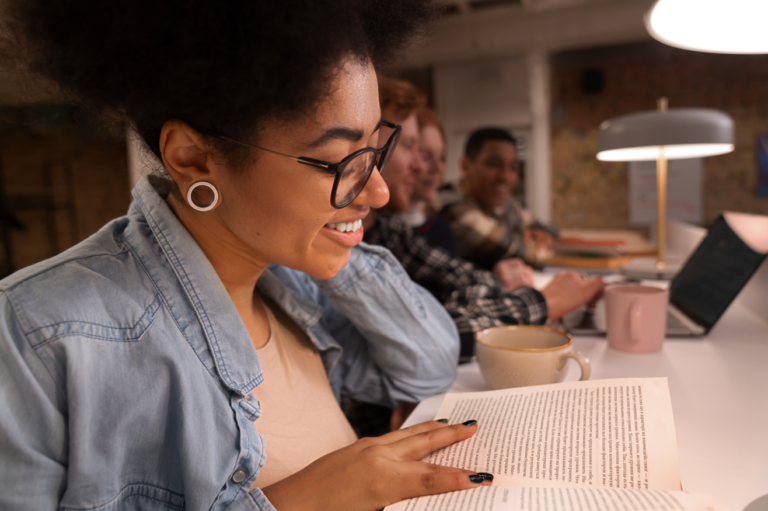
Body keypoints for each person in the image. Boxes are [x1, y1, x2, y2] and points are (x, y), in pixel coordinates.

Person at [0, 2, 494, 510]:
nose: (380, 191)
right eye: (338, 161)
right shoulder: (38, 336)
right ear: (193, 158)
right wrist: (301, 501)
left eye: (374, 149)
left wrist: (328, 242)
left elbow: (428, 365)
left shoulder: (290, 287)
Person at [364, 77, 604, 361]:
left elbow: (479, 280)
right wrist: (544, 301)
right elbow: (432, 334)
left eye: (513, 167)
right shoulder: (452, 208)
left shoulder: (389, 227)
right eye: (409, 147)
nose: (422, 166)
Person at [441, 127, 559, 271]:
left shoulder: (504, 203)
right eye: (494, 164)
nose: (505, 177)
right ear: (466, 167)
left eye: (513, 167)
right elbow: (526, 253)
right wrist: (531, 240)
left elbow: (546, 228)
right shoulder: (450, 205)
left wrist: (543, 234)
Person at [401, 105, 457, 255]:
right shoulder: (373, 228)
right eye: (425, 156)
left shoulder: (442, 228)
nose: (438, 168)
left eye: (441, 157)